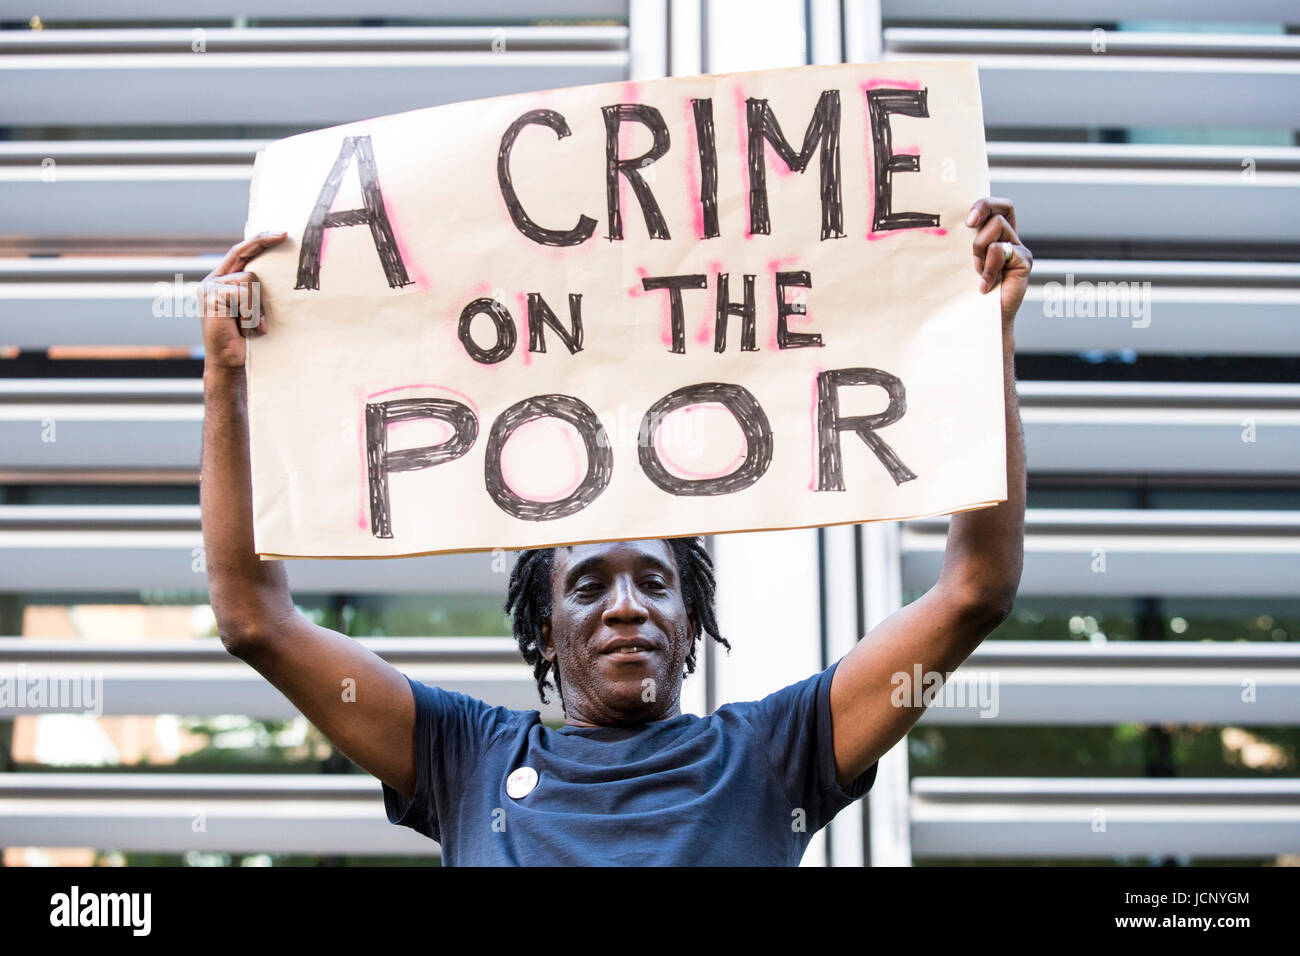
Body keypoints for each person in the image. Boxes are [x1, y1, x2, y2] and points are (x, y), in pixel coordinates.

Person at [198, 196, 1030, 866]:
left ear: (691, 623)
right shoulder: (465, 761)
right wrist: (227, 375)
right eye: (589, 584)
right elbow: (255, 622)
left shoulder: (773, 757)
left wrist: (980, 338)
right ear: (545, 633)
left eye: (656, 582)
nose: (627, 605)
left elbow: (973, 592)